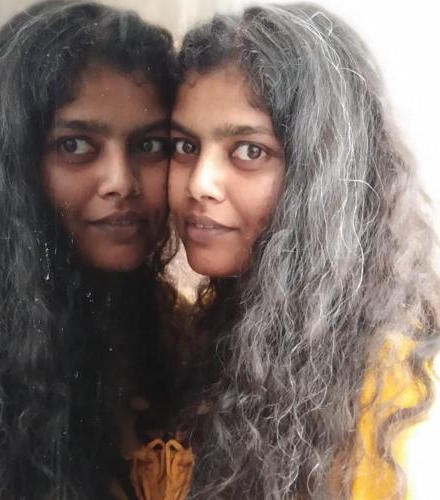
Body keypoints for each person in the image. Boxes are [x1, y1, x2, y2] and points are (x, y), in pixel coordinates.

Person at [167, 4, 440, 499]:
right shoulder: (207, 329)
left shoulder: (398, 395)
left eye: (249, 151)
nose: (199, 183)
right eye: (185, 146)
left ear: (321, 178)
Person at [0, 1, 176, 498]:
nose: (120, 181)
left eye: (150, 146)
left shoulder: (174, 330)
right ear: (13, 164)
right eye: (75, 146)